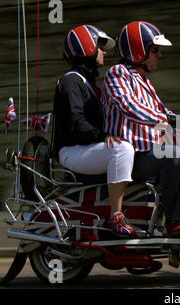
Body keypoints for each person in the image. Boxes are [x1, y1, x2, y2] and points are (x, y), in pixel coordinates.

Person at [102, 21, 180, 237]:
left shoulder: (145, 82)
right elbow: (130, 107)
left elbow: (162, 112)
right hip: (132, 156)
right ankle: (174, 222)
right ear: (137, 50)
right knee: (175, 155)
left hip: (148, 152)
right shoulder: (117, 73)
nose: (159, 55)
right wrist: (171, 119)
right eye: (154, 50)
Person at [53, 25, 137, 237]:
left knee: (131, 146)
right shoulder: (71, 81)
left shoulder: (91, 84)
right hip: (72, 150)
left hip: (87, 147)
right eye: (100, 46)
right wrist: (104, 136)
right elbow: (76, 124)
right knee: (121, 150)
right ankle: (115, 217)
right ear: (86, 47)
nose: (104, 51)